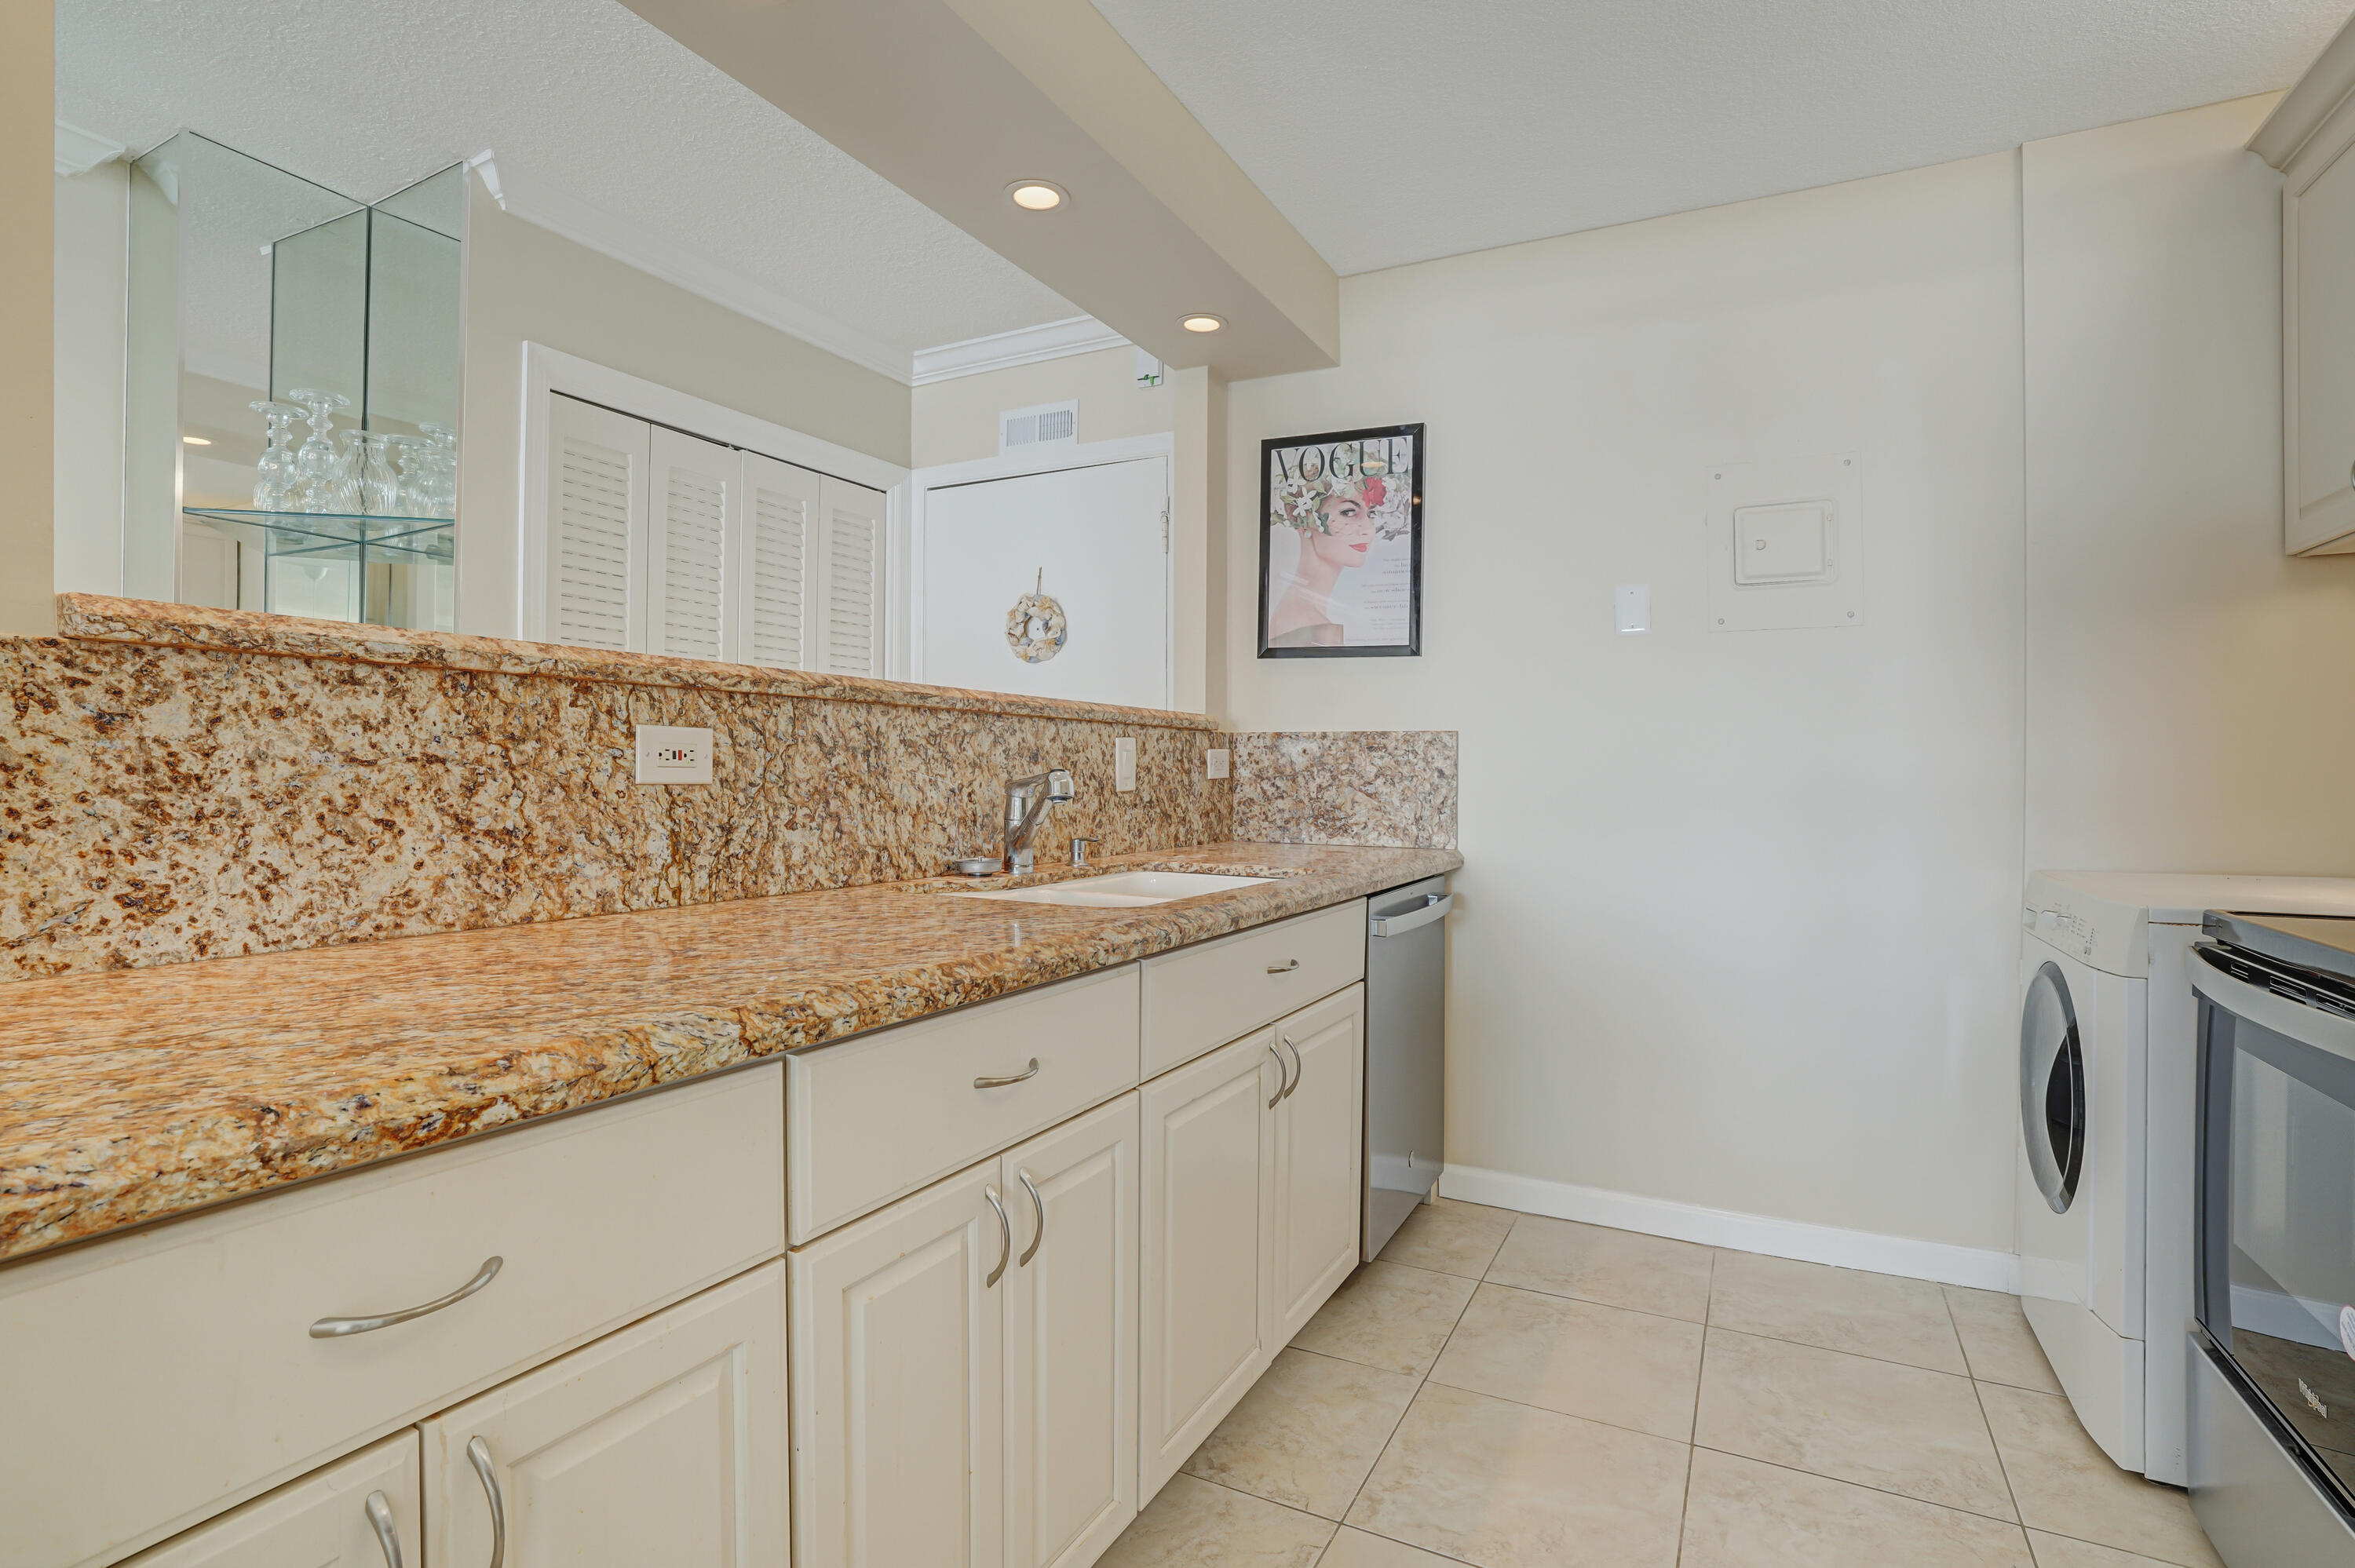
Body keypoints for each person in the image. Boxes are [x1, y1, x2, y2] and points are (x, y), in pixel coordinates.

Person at [1266, 472, 1386, 647]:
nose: (1368, 530)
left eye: (1372, 514)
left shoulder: (1294, 612)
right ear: (1305, 519)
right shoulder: (1313, 629)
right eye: (1348, 512)